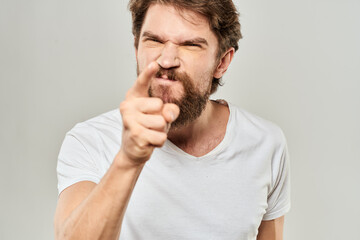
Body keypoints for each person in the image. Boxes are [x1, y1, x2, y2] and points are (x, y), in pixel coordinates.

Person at [54, 0, 291, 239]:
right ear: (136, 48)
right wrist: (128, 160)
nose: (166, 61)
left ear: (222, 62)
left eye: (190, 45)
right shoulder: (90, 141)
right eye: (154, 40)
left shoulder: (265, 143)